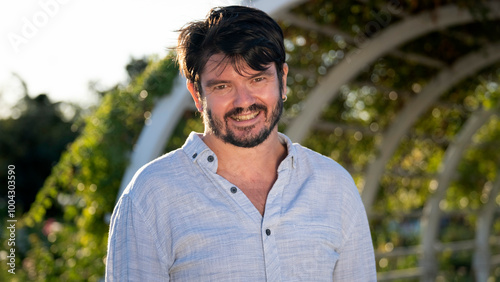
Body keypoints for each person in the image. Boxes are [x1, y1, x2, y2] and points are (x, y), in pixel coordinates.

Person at [106, 5, 376, 281]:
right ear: (197, 94)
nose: (244, 102)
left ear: (282, 81)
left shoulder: (335, 187)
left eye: (257, 79)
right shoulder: (149, 197)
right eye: (222, 86)